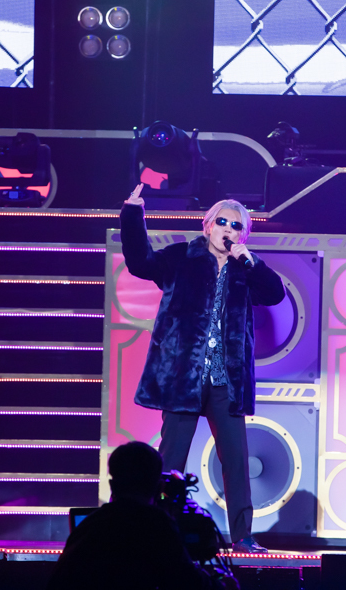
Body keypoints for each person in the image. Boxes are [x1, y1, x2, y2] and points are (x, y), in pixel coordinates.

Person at [120, 186, 286, 554]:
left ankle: (242, 537)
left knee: (237, 461)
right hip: (183, 377)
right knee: (170, 462)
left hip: (226, 382)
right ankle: (157, 533)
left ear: (243, 235)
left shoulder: (245, 270)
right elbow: (140, 262)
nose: (228, 229)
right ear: (208, 225)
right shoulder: (181, 258)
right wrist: (132, 213)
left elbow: (276, 294)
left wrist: (252, 262)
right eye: (222, 222)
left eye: (236, 226)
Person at [47, 442, 214, 590]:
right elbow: (188, 581)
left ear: (112, 485)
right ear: (158, 487)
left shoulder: (89, 525)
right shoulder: (156, 524)